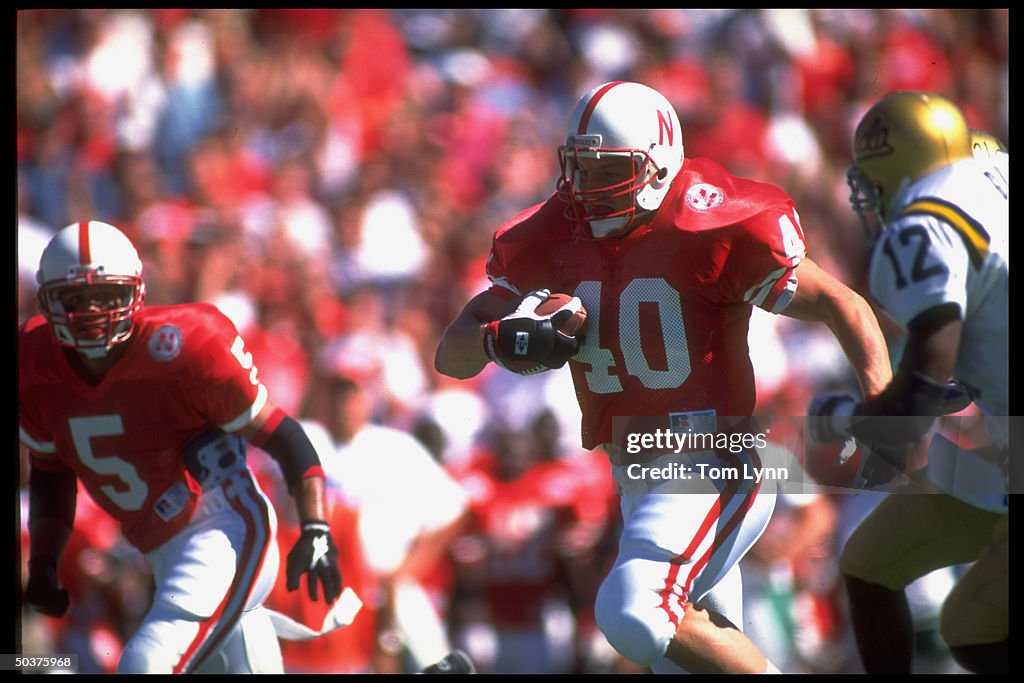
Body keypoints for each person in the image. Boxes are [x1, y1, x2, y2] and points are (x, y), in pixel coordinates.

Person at [434, 81, 893, 674]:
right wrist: (501, 340)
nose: (586, 191)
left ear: (656, 166)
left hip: (711, 458)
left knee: (634, 611)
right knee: (678, 653)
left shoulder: (712, 222)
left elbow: (842, 303)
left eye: (607, 172)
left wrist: (884, 405)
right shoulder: (547, 235)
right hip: (635, 478)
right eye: (580, 169)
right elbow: (453, 357)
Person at [19, 220, 343, 673]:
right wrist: (46, 561)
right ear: (47, 301)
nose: (92, 312)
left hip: (224, 527)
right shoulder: (32, 362)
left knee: (144, 662)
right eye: (76, 299)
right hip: (159, 551)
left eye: (106, 297)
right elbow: (51, 470)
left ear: (135, 294)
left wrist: (316, 528)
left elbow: (284, 436)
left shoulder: (188, 345)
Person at [808, 92, 1008, 674]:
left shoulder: (926, 224)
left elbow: (918, 399)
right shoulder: (992, 171)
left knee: (973, 627)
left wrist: (849, 421)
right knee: (870, 564)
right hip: (1007, 442)